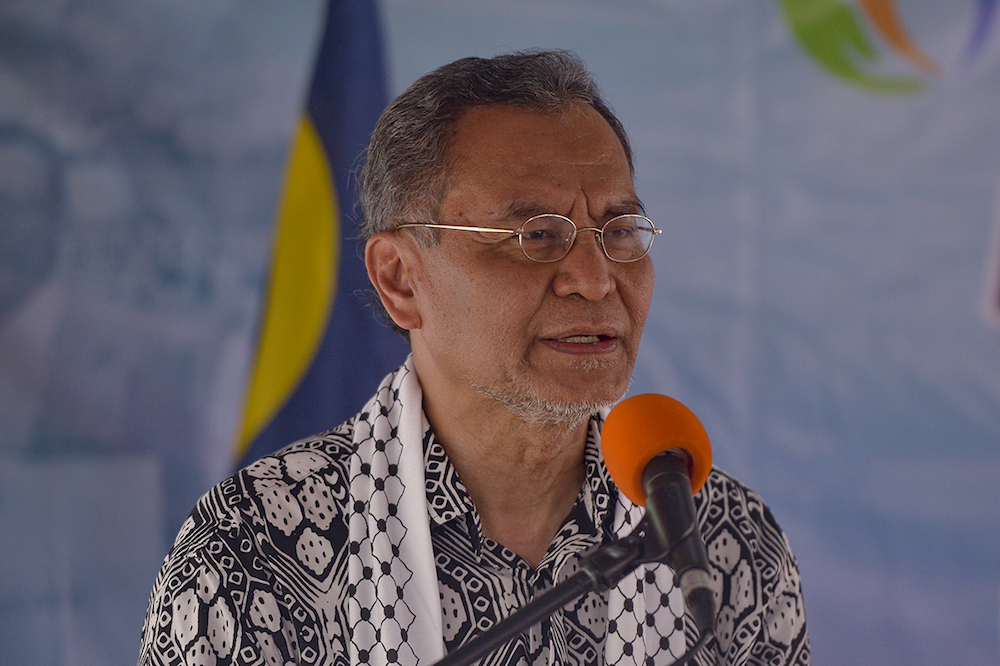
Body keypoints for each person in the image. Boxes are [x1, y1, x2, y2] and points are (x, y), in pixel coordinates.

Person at [138, 50, 809, 666]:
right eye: (537, 234)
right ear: (401, 278)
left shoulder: (721, 536)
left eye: (620, 229)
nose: (597, 278)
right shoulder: (253, 549)